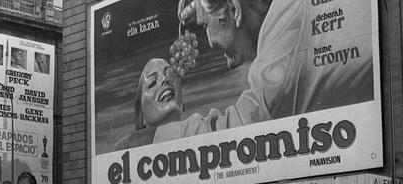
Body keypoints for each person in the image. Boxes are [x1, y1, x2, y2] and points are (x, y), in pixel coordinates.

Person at [173, 0, 374, 133]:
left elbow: (243, 129)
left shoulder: (286, 26)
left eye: (205, 26)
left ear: (234, 10)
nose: (208, 42)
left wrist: (165, 135)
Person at [112, 58, 184, 151]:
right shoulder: (123, 149)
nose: (165, 79)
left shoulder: (200, 125)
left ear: (182, 103)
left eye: (170, 75)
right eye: (152, 83)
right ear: (142, 117)